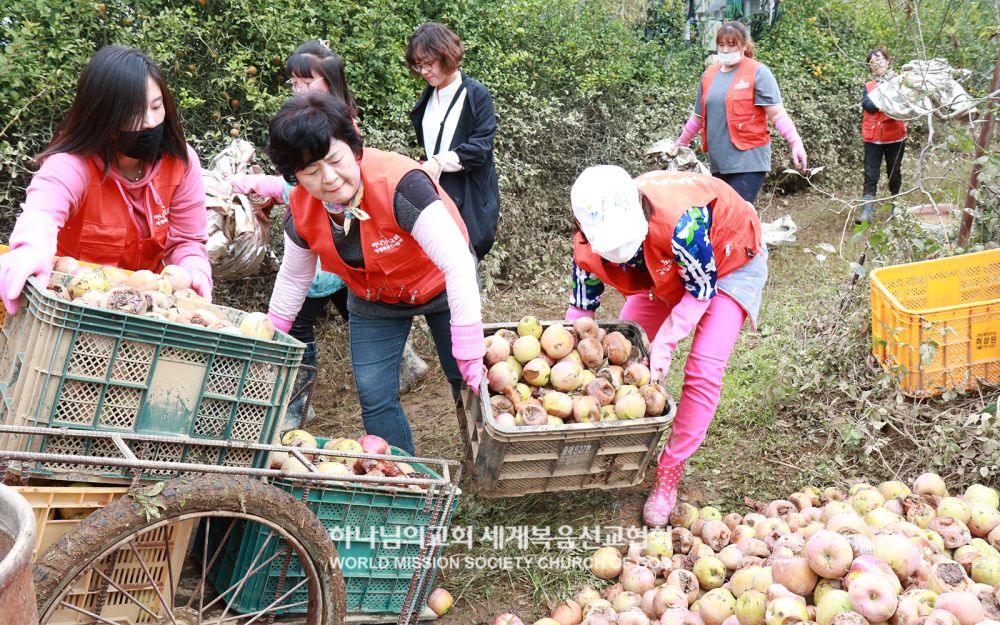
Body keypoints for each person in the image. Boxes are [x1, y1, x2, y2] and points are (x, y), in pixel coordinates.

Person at [263, 92, 484, 454]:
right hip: (374, 297)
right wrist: (271, 338)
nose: (329, 178)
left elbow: (457, 262)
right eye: (311, 172)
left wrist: (469, 343)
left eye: (335, 160)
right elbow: (293, 279)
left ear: (354, 148)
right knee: (375, 395)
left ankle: (483, 458)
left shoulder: (400, 184)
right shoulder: (302, 211)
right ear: (295, 177)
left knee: (464, 378)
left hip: (441, 284)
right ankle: (401, 481)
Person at [229, 41, 428, 429]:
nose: (298, 88)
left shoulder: (346, 134)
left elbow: (330, 188)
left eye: (306, 80)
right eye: (294, 81)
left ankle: (294, 405)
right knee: (349, 315)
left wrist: (266, 186)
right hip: (341, 258)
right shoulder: (301, 132)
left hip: (371, 252)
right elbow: (302, 191)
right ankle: (399, 372)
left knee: (312, 315)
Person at [565, 166, 767, 527]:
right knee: (627, 348)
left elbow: (701, 289)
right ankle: (622, 446)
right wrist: (568, 357)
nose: (618, 257)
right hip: (663, 269)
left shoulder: (683, 224)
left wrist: (666, 343)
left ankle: (668, 474)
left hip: (729, 258)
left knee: (703, 370)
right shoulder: (586, 243)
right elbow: (580, 313)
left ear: (640, 213)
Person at [0, 45, 211, 316]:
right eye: (133, 113)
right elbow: (42, 212)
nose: (149, 121)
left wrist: (195, 267)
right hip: (68, 306)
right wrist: (30, 249)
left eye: (157, 107)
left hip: (143, 312)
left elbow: (186, 241)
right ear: (103, 117)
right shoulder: (72, 163)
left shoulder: (180, 162)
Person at [675, 21, 808, 204]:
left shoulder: (758, 72)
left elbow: (777, 114)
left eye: (732, 45)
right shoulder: (709, 76)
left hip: (749, 161)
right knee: (720, 220)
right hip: (719, 163)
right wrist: (679, 146)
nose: (726, 50)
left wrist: (796, 143)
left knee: (734, 217)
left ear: (744, 46)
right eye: (721, 45)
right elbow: (697, 118)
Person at [406, 22, 500, 261]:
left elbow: (481, 147)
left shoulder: (476, 95)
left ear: (446, 55)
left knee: (463, 265)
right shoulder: (428, 96)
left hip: (468, 197)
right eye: (419, 65)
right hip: (436, 196)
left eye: (429, 63)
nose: (424, 71)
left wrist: (439, 161)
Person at [857, 47, 906, 224]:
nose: (876, 64)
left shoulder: (901, 82)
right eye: (872, 62)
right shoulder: (869, 86)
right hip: (873, 138)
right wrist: (886, 96)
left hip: (895, 136)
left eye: (880, 60)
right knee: (871, 174)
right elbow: (868, 106)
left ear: (888, 61)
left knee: (894, 172)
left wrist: (884, 95)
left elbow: (902, 103)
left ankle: (896, 206)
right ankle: (867, 211)